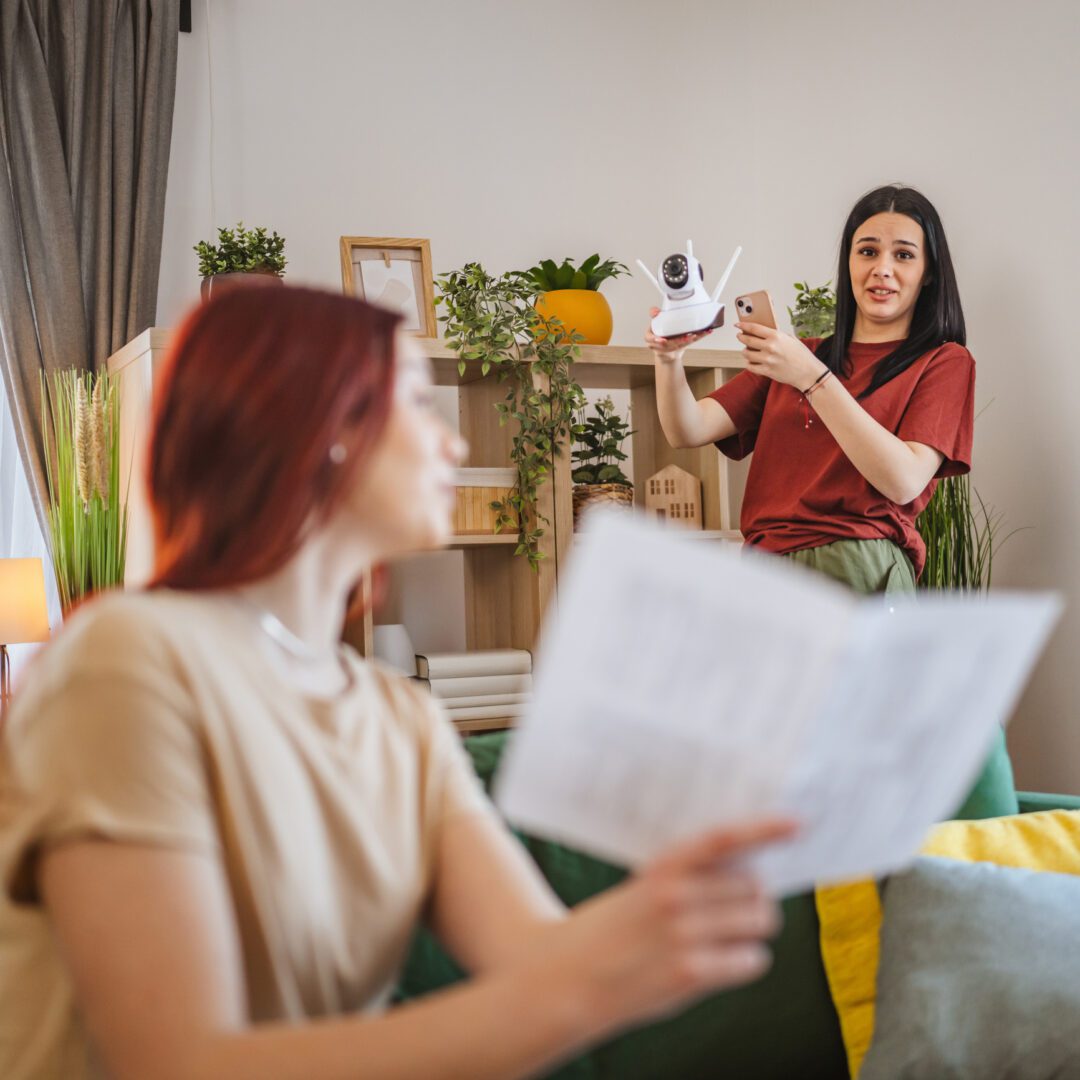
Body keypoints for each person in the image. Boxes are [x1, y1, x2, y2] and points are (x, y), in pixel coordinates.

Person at [0, 285, 792, 1080]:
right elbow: (177, 1063)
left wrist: (683, 886)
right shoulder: (128, 664)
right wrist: (582, 983)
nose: (452, 448)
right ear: (320, 430)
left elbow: (538, 958)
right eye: (417, 403)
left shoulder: (396, 716)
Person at [647, 183, 1013, 797]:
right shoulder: (799, 355)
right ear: (848, 263)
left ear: (928, 274)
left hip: (859, 573)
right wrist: (666, 357)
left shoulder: (943, 363)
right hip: (766, 580)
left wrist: (813, 379)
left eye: (903, 255)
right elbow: (688, 428)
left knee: (857, 776)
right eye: (867, 251)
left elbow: (901, 477)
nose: (883, 270)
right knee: (766, 778)